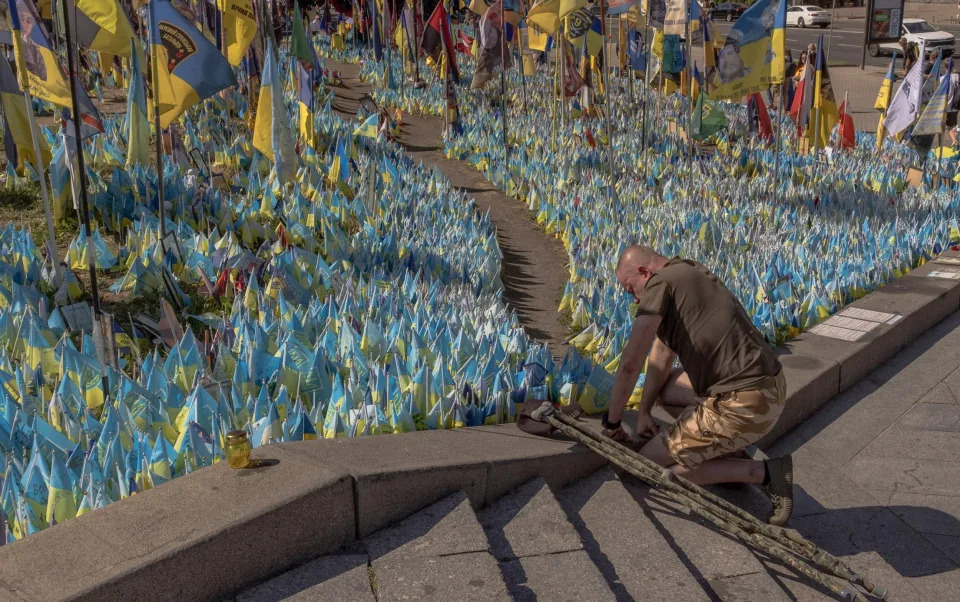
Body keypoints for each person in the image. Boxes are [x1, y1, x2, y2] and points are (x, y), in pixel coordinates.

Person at [602, 246, 794, 526]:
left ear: (644, 272)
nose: (633, 299)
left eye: (631, 289)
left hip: (742, 403)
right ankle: (728, 448)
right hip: (767, 387)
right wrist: (644, 411)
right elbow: (661, 356)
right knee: (665, 387)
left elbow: (632, 363)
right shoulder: (687, 269)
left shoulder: (659, 283)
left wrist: (612, 421)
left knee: (647, 467)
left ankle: (764, 473)